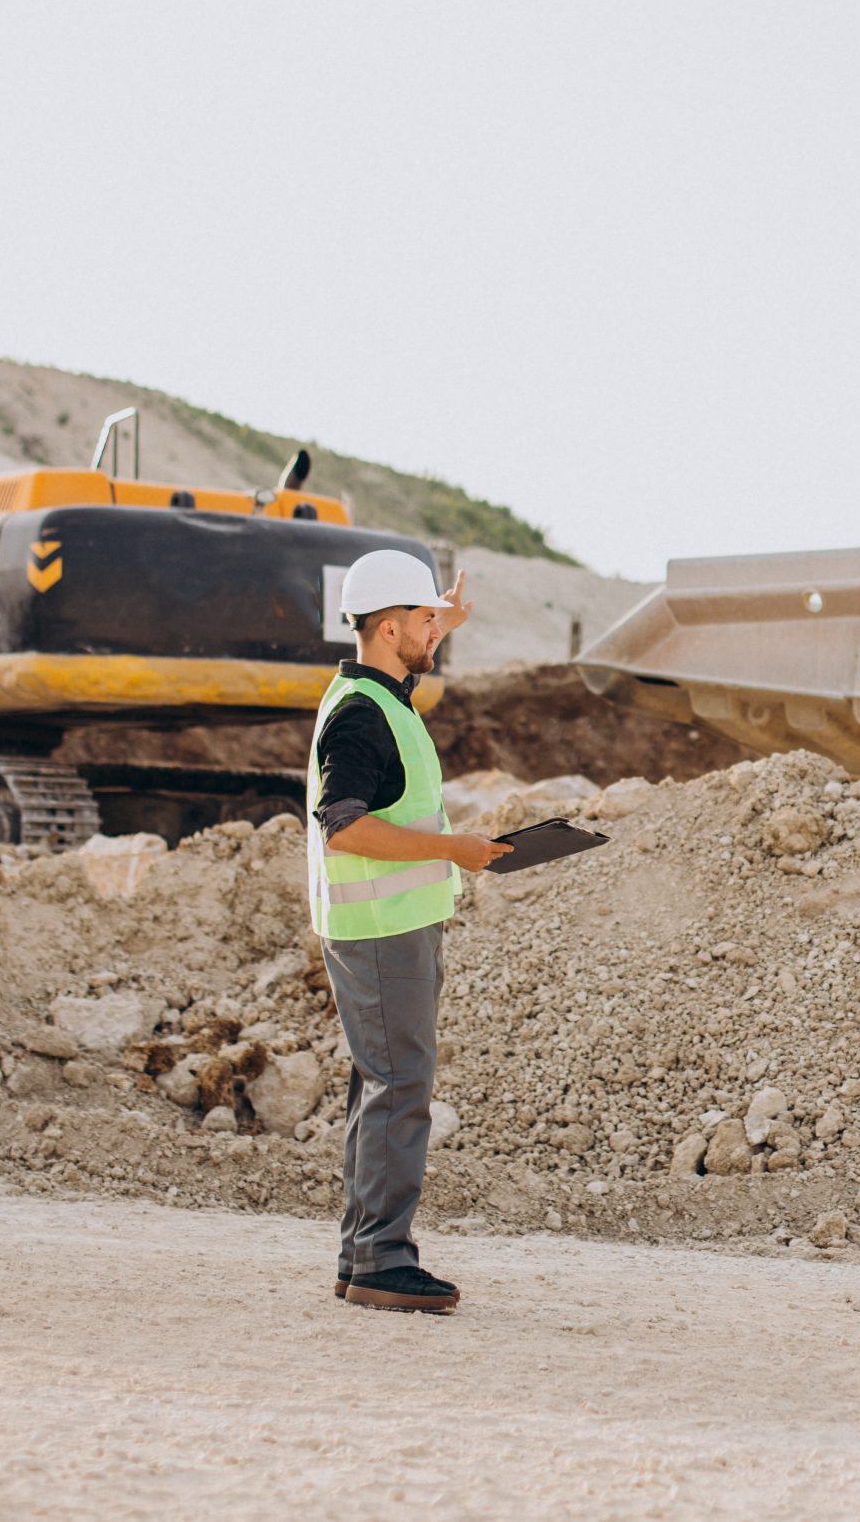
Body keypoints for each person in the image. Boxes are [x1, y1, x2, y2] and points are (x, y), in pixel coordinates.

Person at [309, 548, 511, 1313]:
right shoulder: (363, 714)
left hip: (388, 922)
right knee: (400, 1088)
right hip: (382, 927)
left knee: (381, 1085)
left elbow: (406, 657)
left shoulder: (378, 692)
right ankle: (383, 1259)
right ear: (390, 627)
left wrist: (443, 616)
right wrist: (454, 850)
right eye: (425, 621)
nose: (438, 632)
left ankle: (362, 1251)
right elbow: (345, 828)